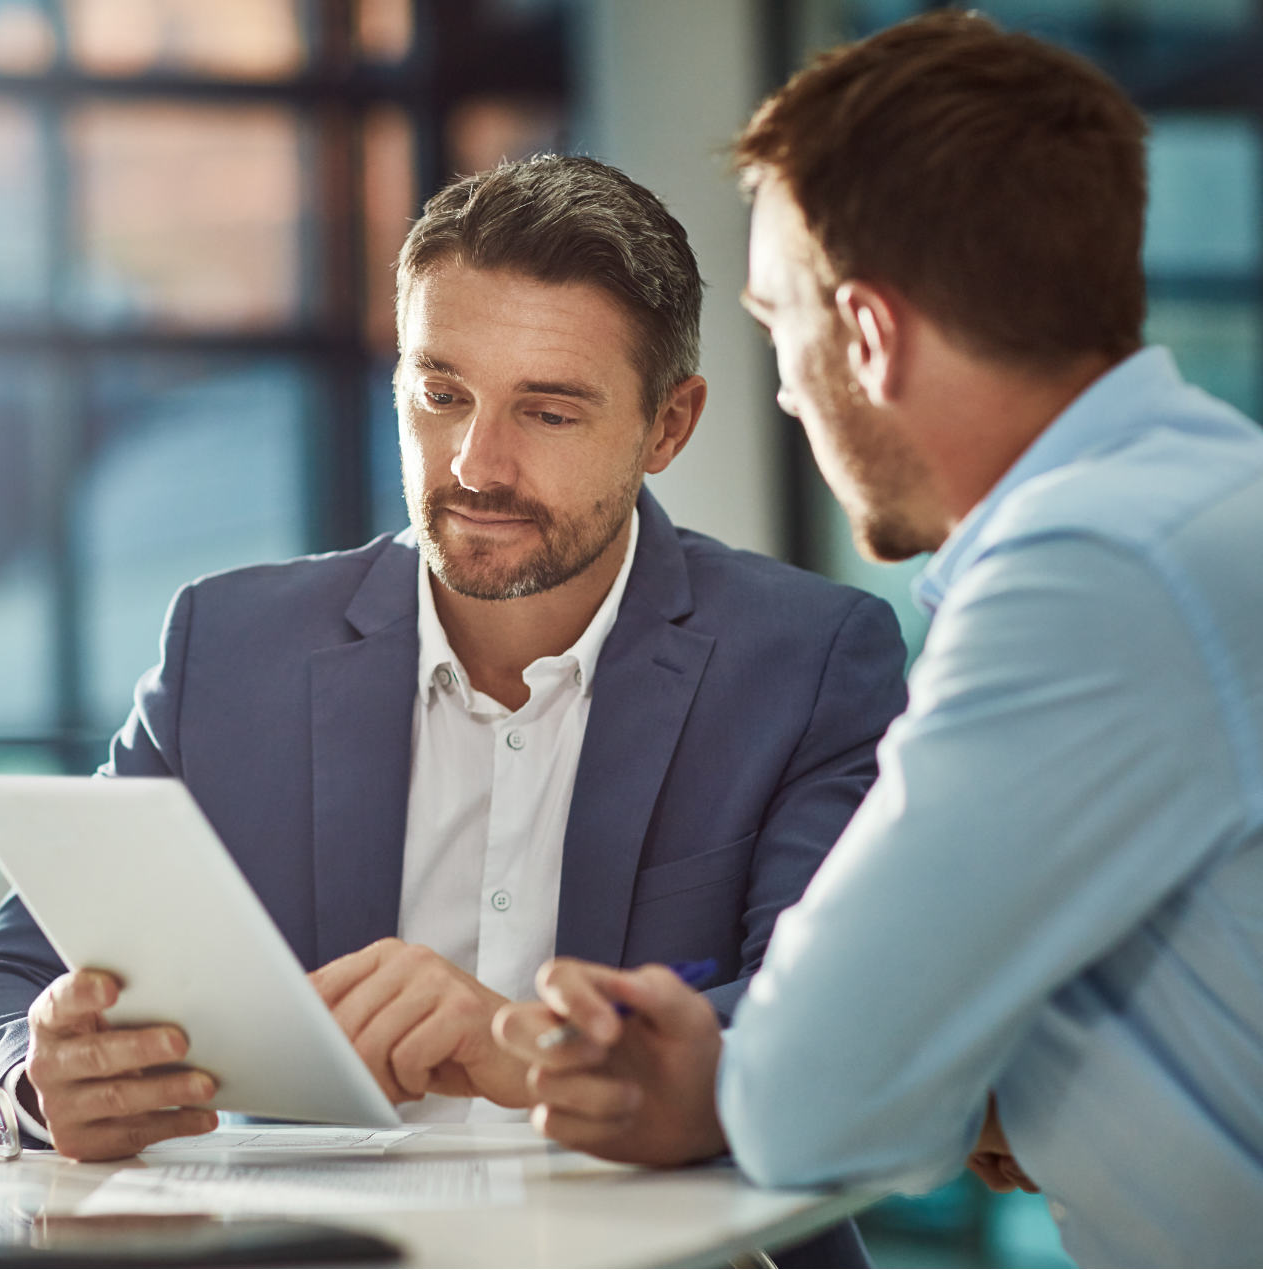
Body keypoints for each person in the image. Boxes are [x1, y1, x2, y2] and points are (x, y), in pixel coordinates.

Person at [0, 154, 907, 1262]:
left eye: (547, 410)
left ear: (666, 428)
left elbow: (826, 1035)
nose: (476, 463)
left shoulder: (806, 660)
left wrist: (522, 1043)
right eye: (440, 395)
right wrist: (37, 1081)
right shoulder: (231, 650)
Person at [493, 14, 1263, 1268]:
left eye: (776, 325)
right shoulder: (1196, 501)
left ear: (865, 334)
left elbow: (816, 1097)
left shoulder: (1088, 571)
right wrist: (985, 1084)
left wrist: (738, 1079)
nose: (785, 388)